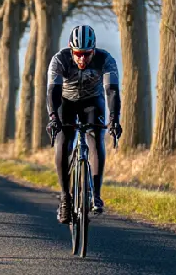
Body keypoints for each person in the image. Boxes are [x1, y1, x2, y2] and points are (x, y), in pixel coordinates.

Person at [45, 24, 122, 224]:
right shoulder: (59, 60)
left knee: (96, 140)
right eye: (78, 54)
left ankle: (95, 194)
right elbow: (53, 91)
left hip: (92, 102)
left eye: (86, 54)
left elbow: (112, 91)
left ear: (93, 50)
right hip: (66, 102)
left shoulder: (105, 60)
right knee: (63, 142)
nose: (82, 59)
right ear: (71, 49)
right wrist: (53, 117)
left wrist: (114, 119)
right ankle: (65, 198)